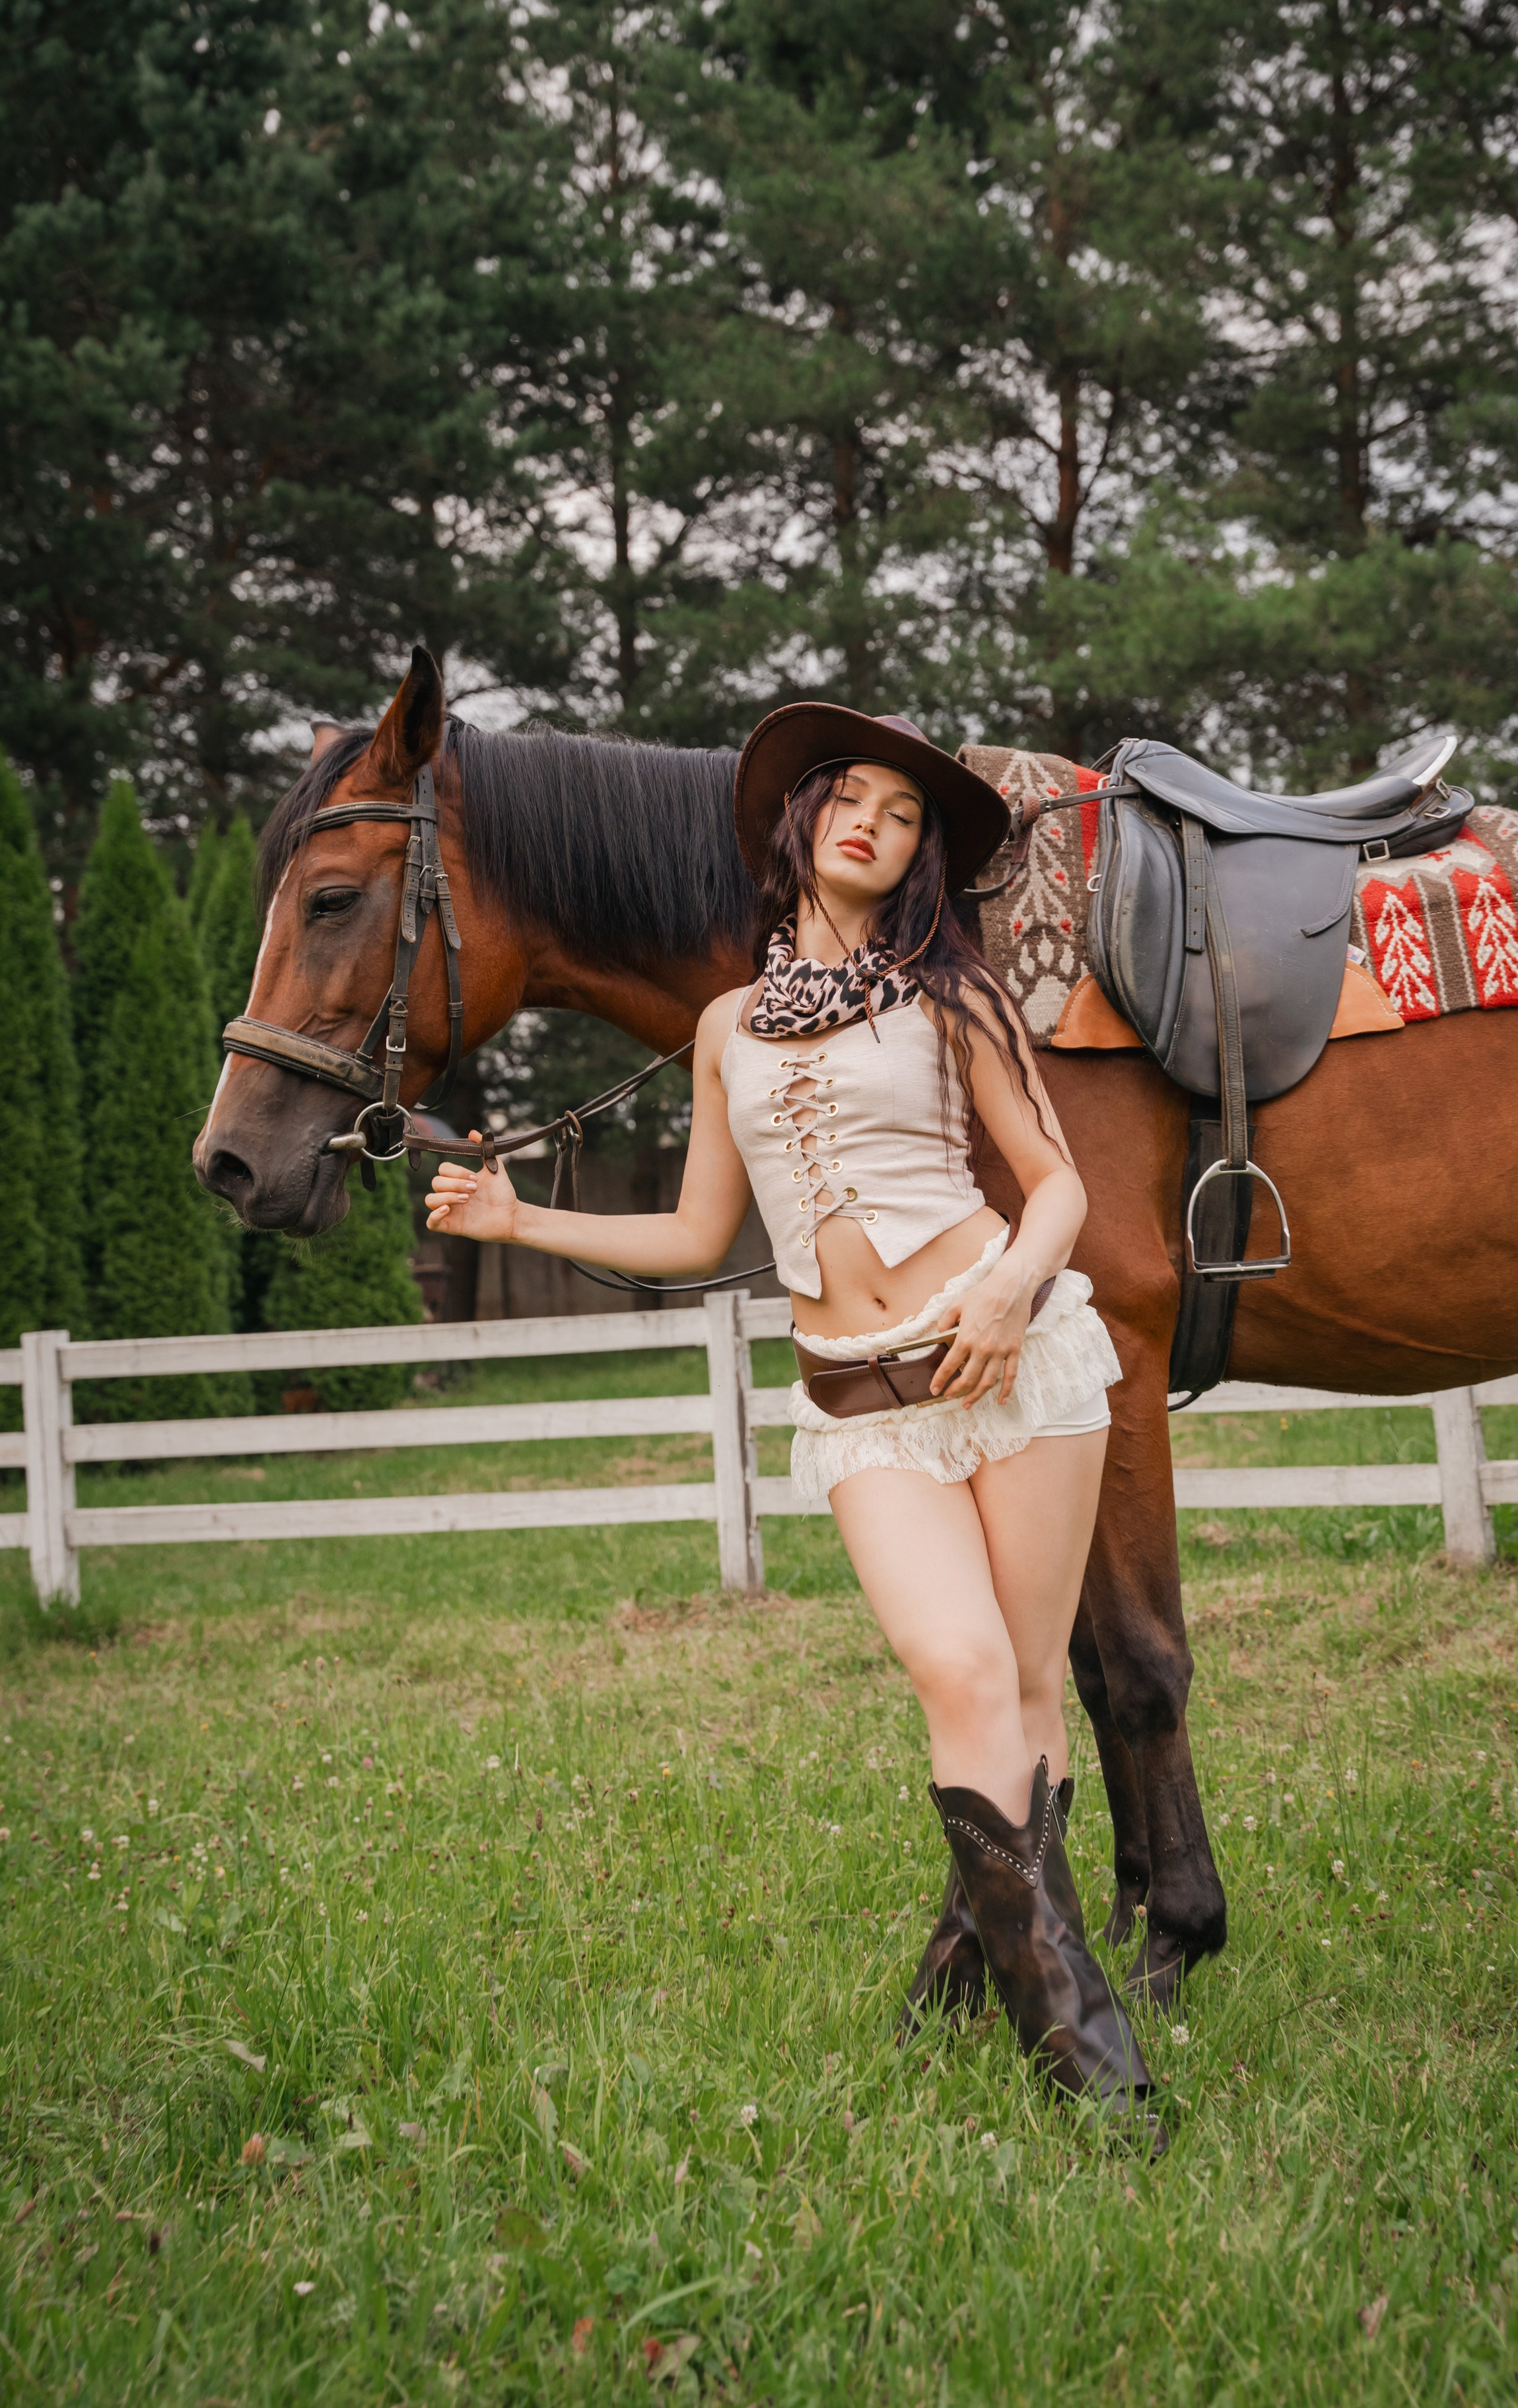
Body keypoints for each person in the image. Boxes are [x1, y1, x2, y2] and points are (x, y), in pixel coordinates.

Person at [425, 703, 1161, 2138]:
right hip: (856, 1404)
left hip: (1012, 1366)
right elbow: (704, 1233)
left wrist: (1013, 1289)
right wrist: (522, 1215)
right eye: (848, 796)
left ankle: (1048, 2023)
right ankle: (1058, 2012)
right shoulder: (721, 1032)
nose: (870, 820)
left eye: (900, 812)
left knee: (1020, 1685)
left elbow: (1055, 1183)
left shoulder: (955, 996)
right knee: (955, 1668)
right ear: (799, 823)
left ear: (912, 861)